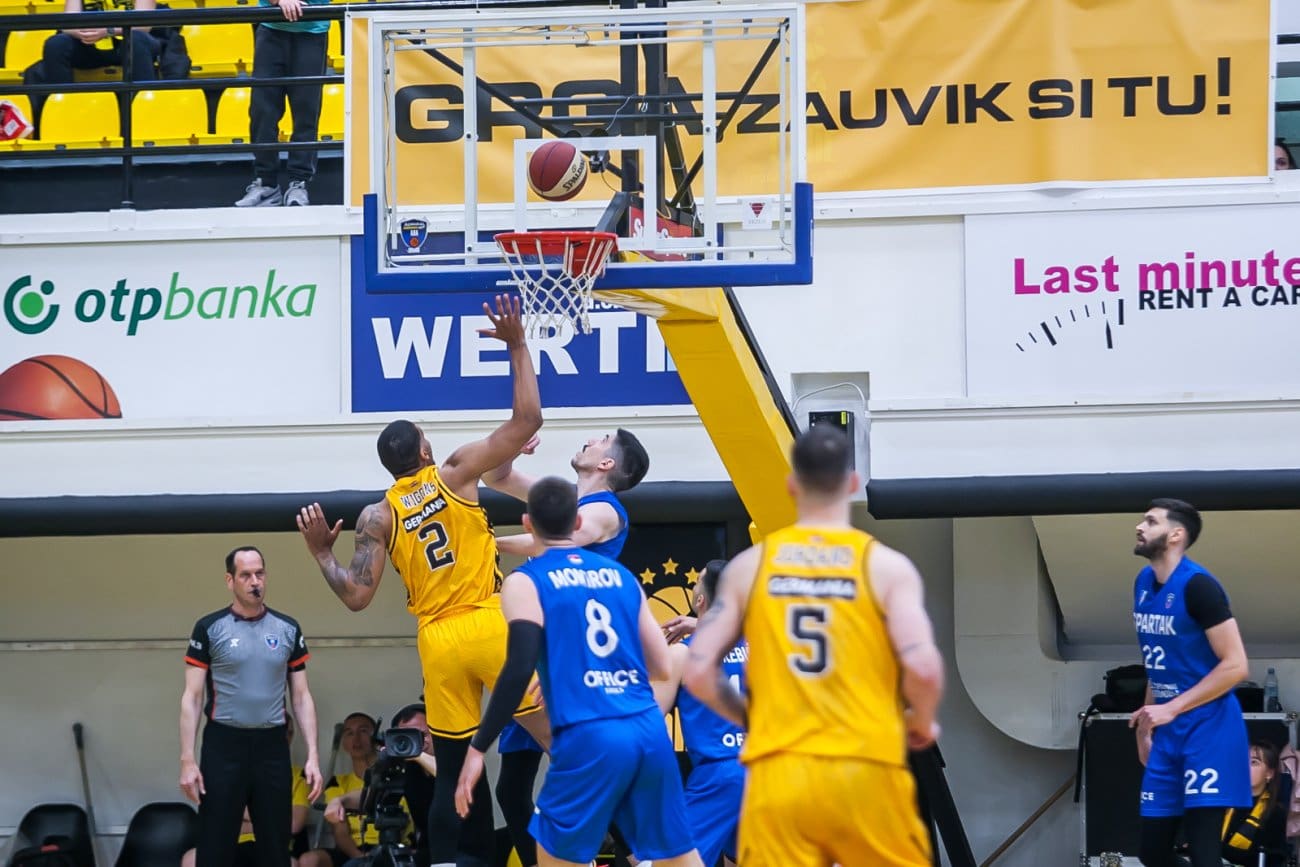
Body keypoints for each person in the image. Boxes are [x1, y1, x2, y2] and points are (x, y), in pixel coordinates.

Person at [297, 293, 545, 867]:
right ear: (426, 449)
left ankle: (446, 862)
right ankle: (626, 849)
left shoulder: (377, 515)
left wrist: (321, 554)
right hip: (488, 622)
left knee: (452, 771)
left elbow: (356, 596)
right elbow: (528, 420)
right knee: (564, 742)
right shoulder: (454, 472)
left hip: (437, 642)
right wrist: (517, 344)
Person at [681, 424, 944, 867]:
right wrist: (921, 721)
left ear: (792, 486)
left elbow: (700, 670)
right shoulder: (885, 565)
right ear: (852, 484)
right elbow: (923, 667)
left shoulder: (752, 567)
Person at [453, 477, 703, 867]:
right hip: (647, 731)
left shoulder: (526, 580)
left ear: (527, 523)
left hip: (588, 733)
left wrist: (477, 747)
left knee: (554, 856)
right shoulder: (621, 577)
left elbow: (518, 667)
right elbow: (659, 664)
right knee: (679, 860)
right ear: (577, 522)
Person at [180, 546, 324, 867]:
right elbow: (192, 697)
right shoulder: (209, 627)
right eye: (245, 575)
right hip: (223, 745)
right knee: (215, 845)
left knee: (276, 845)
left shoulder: (287, 628)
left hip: (271, 744)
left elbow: (301, 696)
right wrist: (187, 759)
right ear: (230, 580)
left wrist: (313, 755)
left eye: (259, 573)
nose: (254, 581)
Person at [1128, 498, 1251, 867]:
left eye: (1151, 521)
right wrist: (1146, 725)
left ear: (1176, 535)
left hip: (1209, 730)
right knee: (1151, 853)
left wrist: (1171, 708)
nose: (1140, 527)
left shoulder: (1199, 587)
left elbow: (1236, 666)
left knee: (1203, 851)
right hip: (1168, 730)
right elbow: (1158, 662)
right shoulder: (1142, 583)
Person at [650, 559, 746, 867]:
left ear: (700, 600)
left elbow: (648, 721)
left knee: (672, 861)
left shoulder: (683, 653)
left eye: (696, 582)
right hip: (766, 771)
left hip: (720, 775)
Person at [485, 429, 650, 558]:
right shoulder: (562, 496)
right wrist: (514, 446)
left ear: (606, 463)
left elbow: (554, 542)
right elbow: (497, 478)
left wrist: (486, 544)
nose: (591, 441)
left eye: (603, 441)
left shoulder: (604, 510)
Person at [180, 716, 313, 867]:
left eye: (288, 732)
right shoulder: (227, 771)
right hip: (231, 845)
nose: (284, 737)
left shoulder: (298, 777)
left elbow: (294, 824)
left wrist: (240, 815)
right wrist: (269, 820)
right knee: (191, 859)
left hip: (272, 848)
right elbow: (217, 820)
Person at [234, 0, 330, 207]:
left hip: (312, 28)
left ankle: (299, 183)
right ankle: (266, 182)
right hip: (271, 26)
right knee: (262, 110)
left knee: (306, 111)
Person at [321, 704, 437, 866]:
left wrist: (417, 754)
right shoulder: (409, 768)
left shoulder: (455, 760)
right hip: (428, 851)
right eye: (407, 736)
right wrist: (339, 800)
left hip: (459, 851)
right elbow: (376, 792)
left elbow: (449, 778)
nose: (417, 741)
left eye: (422, 735)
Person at [300, 713, 386, 867]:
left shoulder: (393, 777)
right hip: (354, 851)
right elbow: (340, 833)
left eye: (363, 731)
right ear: (344, 743)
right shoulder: (337, 783)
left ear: (376, 738)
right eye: (349, 733)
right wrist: (362, 858)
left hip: (390, 847)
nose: (356, 739)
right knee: (309, 860)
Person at [40, 0, 159, 85]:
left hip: (128, 45)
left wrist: (108, 30)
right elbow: (68, 24)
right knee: (56, 44)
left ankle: (143, 104)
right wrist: (85, 32)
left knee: (136, 39)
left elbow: (143, 25)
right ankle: (61, 104)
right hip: (89, 44)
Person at [1215, 740, 1289, 867]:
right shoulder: (1222, 804)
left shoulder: (1276, 813)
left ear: (1269, 774)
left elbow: (1272, 858)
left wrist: (1216, 848)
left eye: (1254, 762)